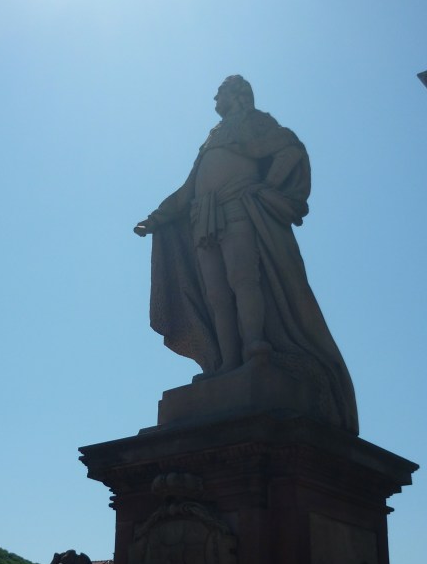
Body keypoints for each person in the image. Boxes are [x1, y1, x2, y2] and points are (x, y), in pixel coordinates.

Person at [135, 75, 358, 435]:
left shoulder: (255, 122)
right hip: (203, 217)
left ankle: (256, 350)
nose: (214, 98)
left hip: (238, 206)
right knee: (215, 294)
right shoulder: (212, 136)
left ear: (238, 94)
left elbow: (290, 149)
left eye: (220, 92)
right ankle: (227, 363)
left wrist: (266, 189)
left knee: (244, 280)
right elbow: (188, 189)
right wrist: (157, 218)